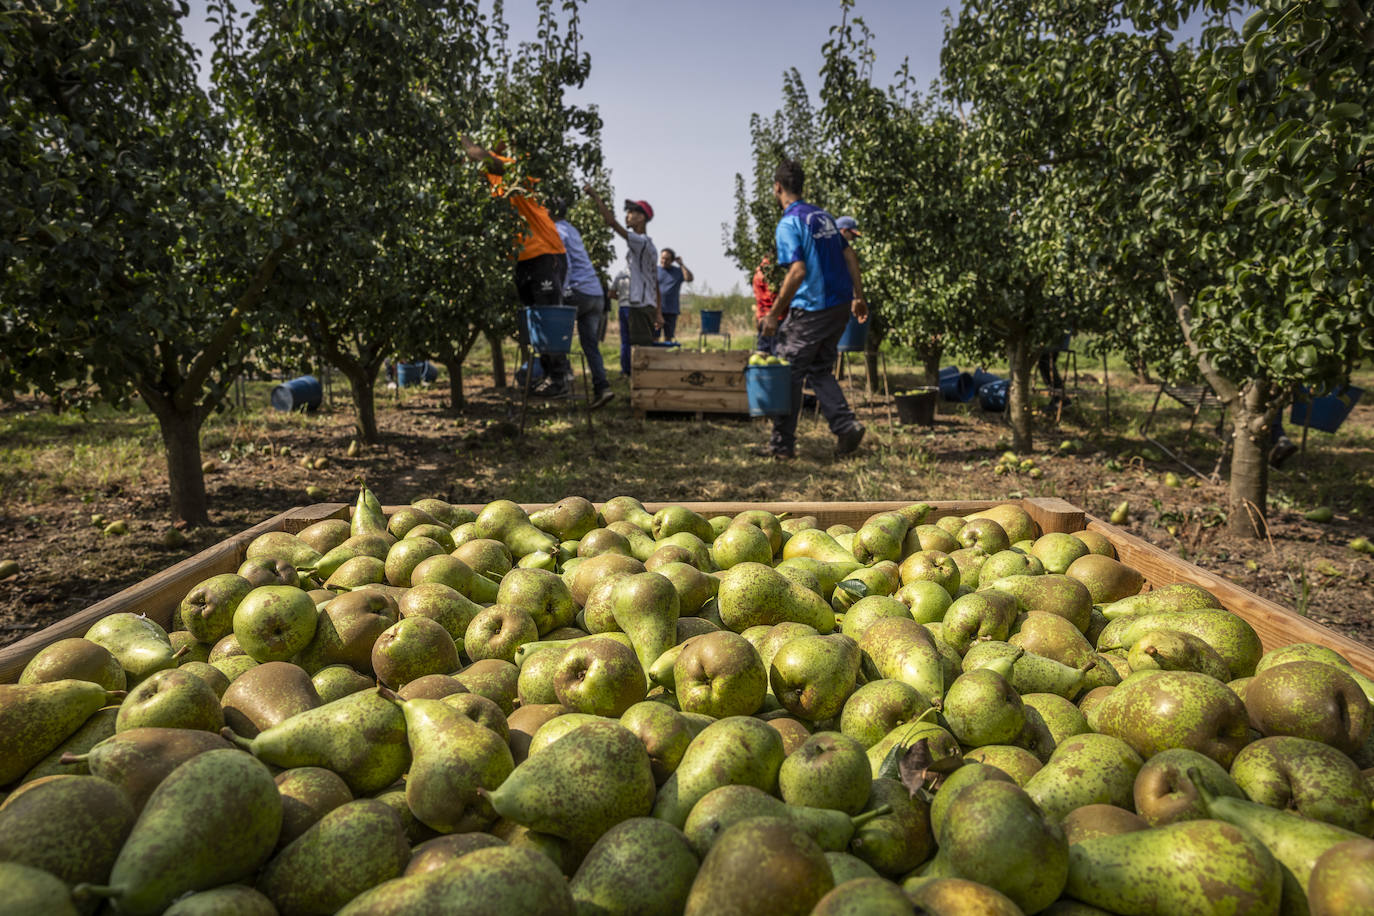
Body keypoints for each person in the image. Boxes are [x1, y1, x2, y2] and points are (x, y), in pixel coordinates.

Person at [757, 158, 868, 460]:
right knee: (819, 368)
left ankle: (782, 446)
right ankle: (846, 426)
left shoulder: (789, 222)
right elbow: (851, 257)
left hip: (813, 308)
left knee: (787, 370)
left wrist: (772, 313)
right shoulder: (824, 217)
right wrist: (858, 296)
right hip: (839, 306)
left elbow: (797, 272)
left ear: (777, 187)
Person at [460, 134, 568, 396]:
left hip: (545, 252)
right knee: (535, 319)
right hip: (524, 258)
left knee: (547, 315)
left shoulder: (515, 169)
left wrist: (457, 135)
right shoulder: (495, 180)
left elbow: (481, 156)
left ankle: (559, 379)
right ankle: (547, 377)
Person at [584, 186, 661, 375]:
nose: (627, 215)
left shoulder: (640, 241)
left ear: (642, 217)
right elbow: (655, 282)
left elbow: (611, 222)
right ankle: (641, 391)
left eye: (632, 212)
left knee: (641, 354)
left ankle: (644, 394)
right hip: (646, 305)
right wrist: (658, 311)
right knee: (640, 352)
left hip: (640, 306)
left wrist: (595, 196)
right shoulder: (648, 245)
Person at [549, 197, 614, 409]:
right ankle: (602, 388)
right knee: (590, 345)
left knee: (553, 327)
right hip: (596, 294)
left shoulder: (557, 231)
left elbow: (563, 264)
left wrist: (560, 293)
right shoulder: (572, 229)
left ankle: (561, 379)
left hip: (578, 291)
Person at [656, 249, 693, 342]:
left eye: (667, 259)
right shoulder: (655, 270)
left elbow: (689, 278)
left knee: (668, 338)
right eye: (662, 258)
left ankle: (667, 355)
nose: (664, 261)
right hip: (657, 310)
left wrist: (681, 264)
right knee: (654, 336)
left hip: (671, 310)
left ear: (672, 261)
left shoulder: (677, 272)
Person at [609, 268, 633, 377]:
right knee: (637, 339)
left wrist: (622, 298)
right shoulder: (640, 271)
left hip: (623, 307)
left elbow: (611, 293)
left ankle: (625, 370)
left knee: (625, 341)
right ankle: (636, 368)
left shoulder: (620, 273)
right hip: (635, 308)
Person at [752, 256, 778, 354]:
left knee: (764, 355)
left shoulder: (758, 272)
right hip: (775, 318)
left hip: (764, 318)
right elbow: (770, 297)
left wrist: (760, 317)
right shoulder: (772, 273)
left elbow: (759, 299)